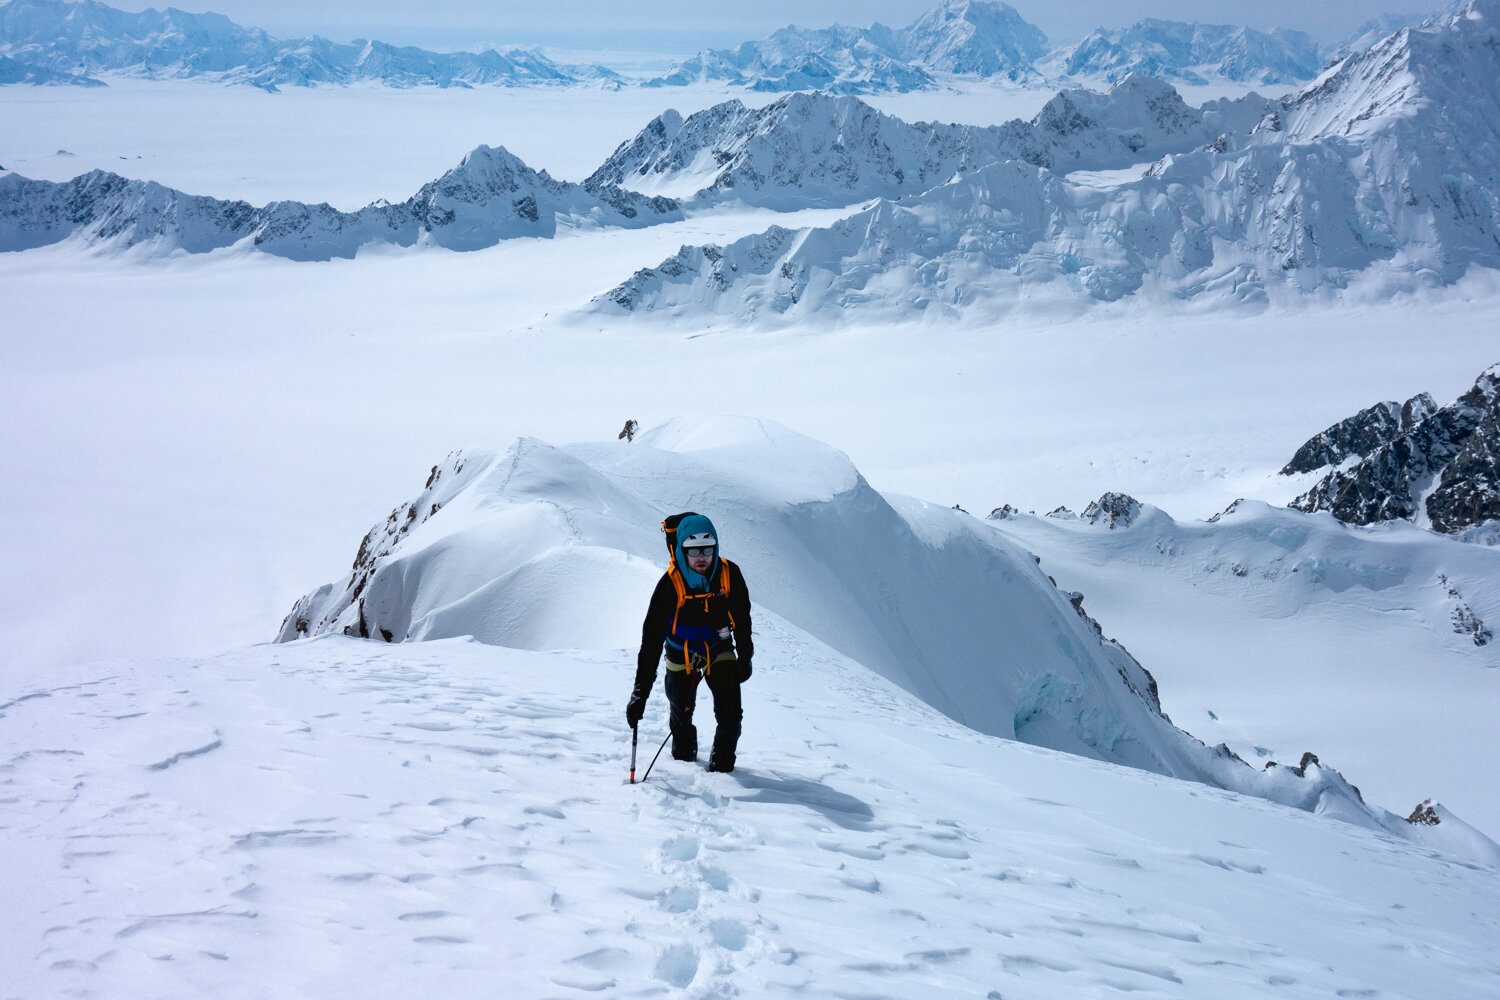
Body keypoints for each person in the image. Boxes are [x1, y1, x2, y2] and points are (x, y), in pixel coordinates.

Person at [626, 513, 753, 772]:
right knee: (682, 714)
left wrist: (746, 656)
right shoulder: (670, 585)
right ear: (682, 550)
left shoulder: (730, 574)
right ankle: (683, 765)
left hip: (719, 646)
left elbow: (742, 619)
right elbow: (650, 642)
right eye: (693, 550)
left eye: (708, 548)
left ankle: (723, 768)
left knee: (731, 717)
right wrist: (640, 694)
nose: (702, 557)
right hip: (679, 652)